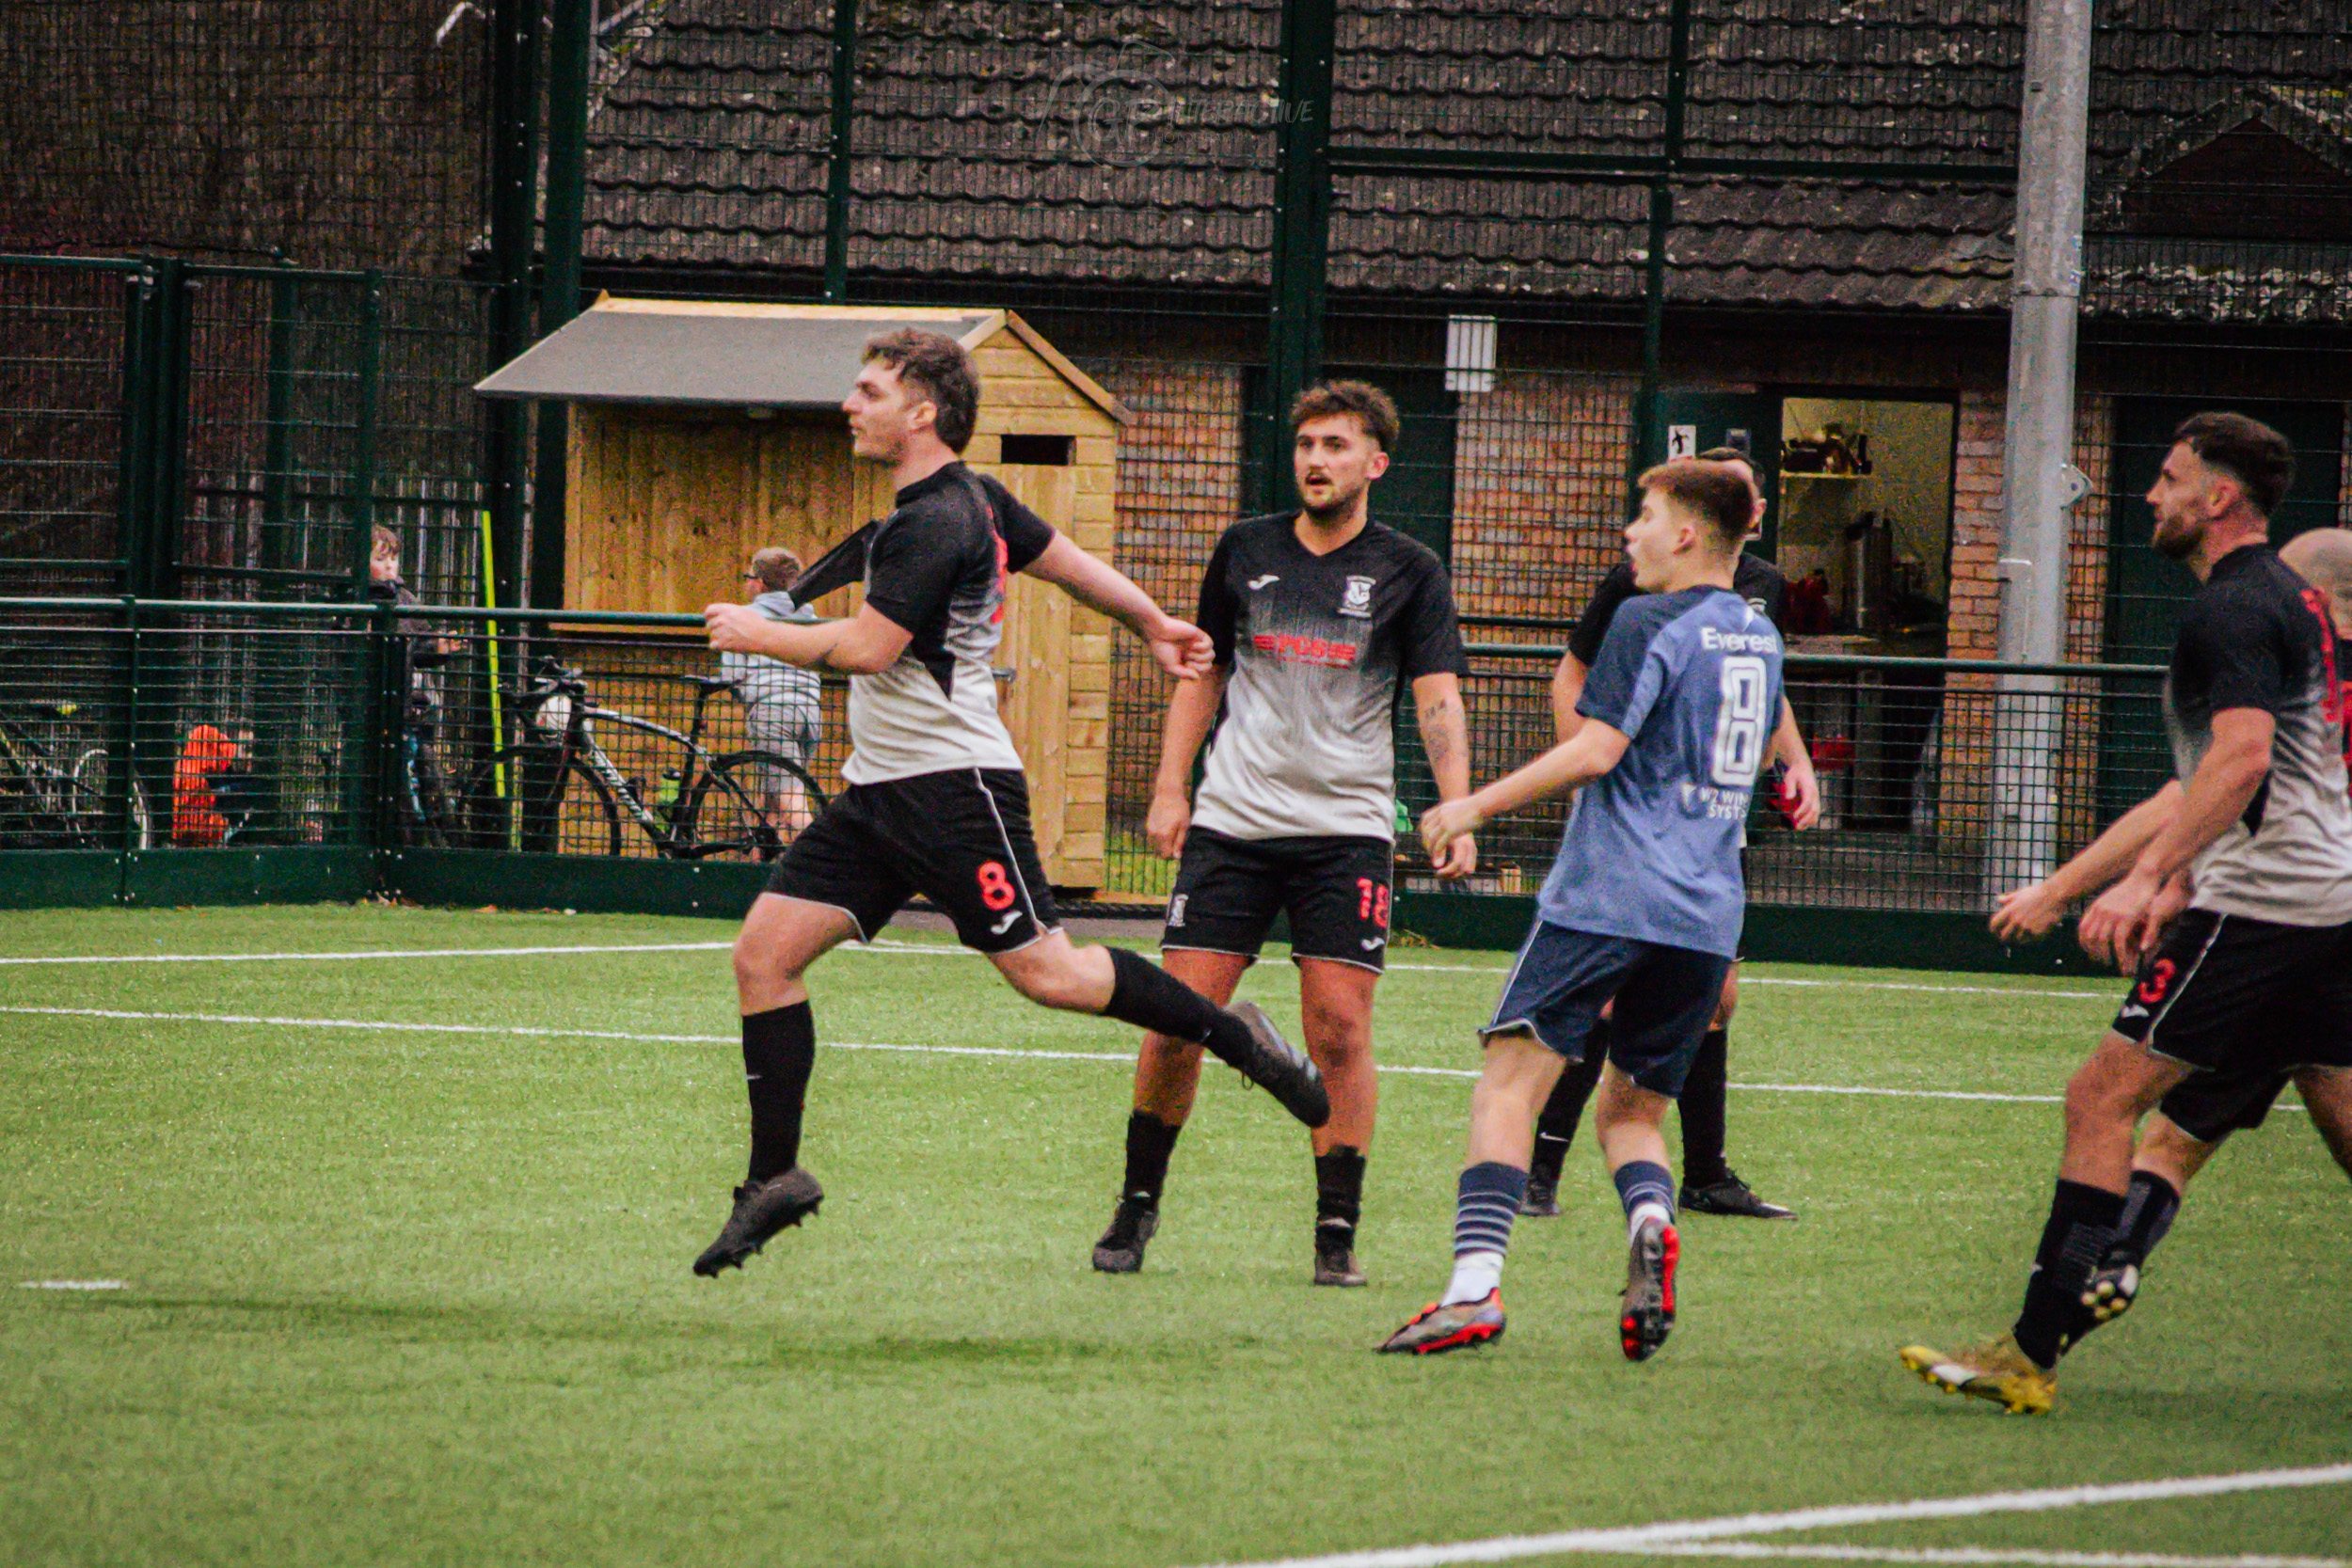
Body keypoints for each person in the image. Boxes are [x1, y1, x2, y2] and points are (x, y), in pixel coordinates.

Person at [693, 327, 1328, 1278]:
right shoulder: (970, 502)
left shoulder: (937, 519)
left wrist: (756, 630)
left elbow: (869, 648)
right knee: (763, 956)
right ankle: (773, 1177)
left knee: (1050, 974)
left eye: (868, 391)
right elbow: (1065, 558)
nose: (849, 405)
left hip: (954, 790)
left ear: (922, 412)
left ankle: (1232, 1031)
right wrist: (1152, 619)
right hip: (877, 794)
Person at [1907, 414, 2352, 1415]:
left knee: (2100, 1099)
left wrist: (2152, 877)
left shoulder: (2233, 609)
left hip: (2264, 910)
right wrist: (2078, 881)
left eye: (2167, 476)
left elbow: (2236, 764)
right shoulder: (2287, 602)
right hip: (2326, 908)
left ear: (2218, 497)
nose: (2149, 494)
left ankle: (2028, 1349)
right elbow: (2200, 779)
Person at [1377, 459, 1784, 1358]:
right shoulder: (1758, 634)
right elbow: (1755, 757)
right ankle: (1649, 1219)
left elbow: (1597, 749)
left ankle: (1472, 1289)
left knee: (1508, 1082)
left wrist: (1473, 804)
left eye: (1643, 516)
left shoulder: (1647, 619)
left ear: (1685, 533)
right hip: (1707, 914)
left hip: (1608, 895)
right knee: (1632, 1112)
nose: (1629, 534)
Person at [1089, 380, 1476, 1289]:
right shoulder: (1246, 549)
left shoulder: (1410, 569)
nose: (1315, 460)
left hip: (1344, 832)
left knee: (1339, 1029)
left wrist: (1456, 805)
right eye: (1306, 444)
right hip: (1232, 822)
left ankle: (1335, 1233)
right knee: (1176, 1019)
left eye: (1337, 446)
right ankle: (1135, 1209)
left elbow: (1437, 695)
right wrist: (1168, 785)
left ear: (1376, 463)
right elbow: (1203, 672)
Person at [1978, 524, 2352, 1345]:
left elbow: (2197, 791)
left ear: (2318, 604)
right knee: (2196, 1126)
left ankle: (2045, 1329)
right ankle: (2107, 1263)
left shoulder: (2296, 678)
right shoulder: (2314, 680)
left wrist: (2109, 882)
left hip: (2271, 925)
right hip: (2324, 929)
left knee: (2116, 1104)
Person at [1519, 445, 1820, 1222]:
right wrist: (1591, 780)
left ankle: (1705, 1171)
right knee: (1613, 1000)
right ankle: (1543, 1164)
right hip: (1640, 817)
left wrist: (1797, 762)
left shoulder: (1761, 591)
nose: (1748, 501)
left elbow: (1765, 687)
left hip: (1710, 819)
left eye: (1752, 490)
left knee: (1715, 995)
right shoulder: (1640, 587)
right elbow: (1573, 678)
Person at [721, 546, 824, 832]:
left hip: (771, 712)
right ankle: (760, 865)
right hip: (810, 714)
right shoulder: (812, 619)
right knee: (773, 797)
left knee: (792, 800)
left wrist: (745, 694)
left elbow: (731, 675)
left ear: (760, 583)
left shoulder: (743, 618)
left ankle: (819, 866)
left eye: (748, 577)